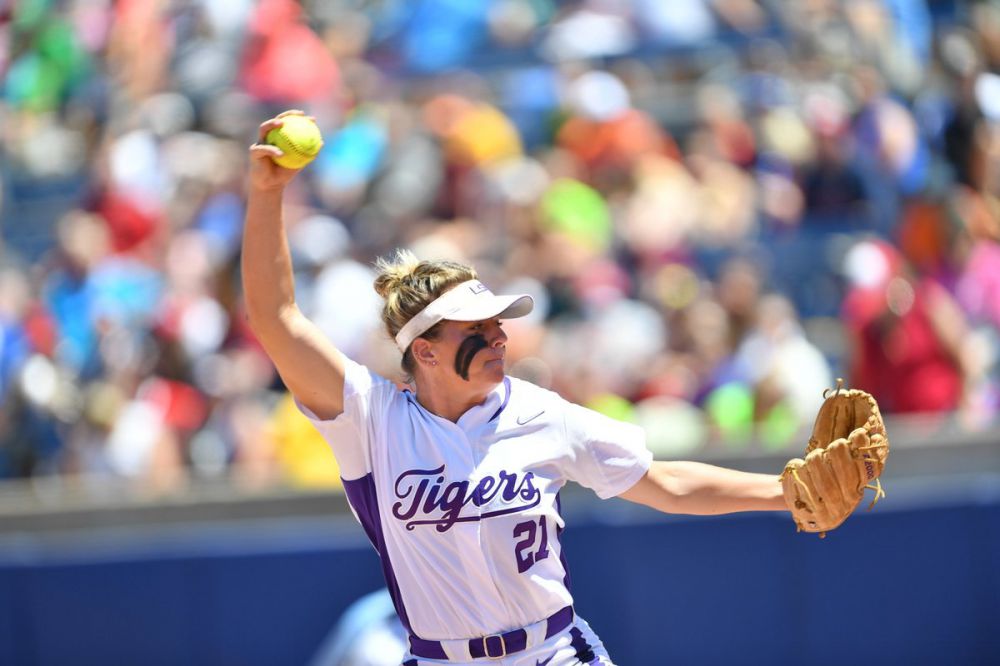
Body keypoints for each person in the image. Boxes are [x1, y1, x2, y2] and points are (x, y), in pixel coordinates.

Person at [243, 111, 788, 665]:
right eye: (475, 329)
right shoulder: (372, 422)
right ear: (425, 351)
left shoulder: (540, 414)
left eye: (497, 323)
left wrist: (785, 492)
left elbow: (666, 483)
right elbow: (276, 317)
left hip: (553, 651)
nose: (498, 337)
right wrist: (268, 194)